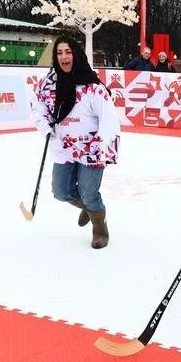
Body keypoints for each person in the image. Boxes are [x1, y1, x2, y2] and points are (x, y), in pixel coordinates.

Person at [31, 35, 122, 249]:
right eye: (59, 53)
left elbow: (109, 119)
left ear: (76, 55)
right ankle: (91, 207)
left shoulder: (93, 87)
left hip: (92, 147)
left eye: (68, 52)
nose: (64, 57)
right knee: (61, 191)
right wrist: (46, 128)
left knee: (89, 193)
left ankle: (100, 228)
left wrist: (99, 143)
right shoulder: (48, 83)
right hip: (64, 145)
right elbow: (39, 108)